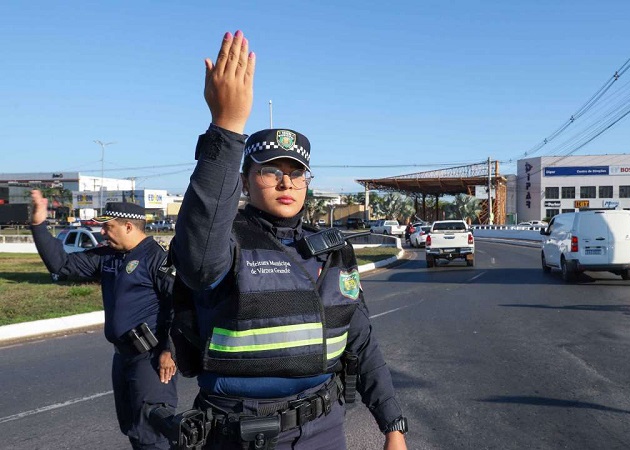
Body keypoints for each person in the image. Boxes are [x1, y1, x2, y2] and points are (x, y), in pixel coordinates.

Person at [170, 30, 407, 450]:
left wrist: (393, 425)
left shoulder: (333, 249)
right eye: (268, 170)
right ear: (244, 180)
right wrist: (227, 127)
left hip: (323, 429)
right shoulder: (225, 244)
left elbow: (362, 341)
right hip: (239, 433)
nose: (285, 181)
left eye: (296, 172)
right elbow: (198, 252)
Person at [28, 193, 178, 450]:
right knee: (132, 427)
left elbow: (180, 306)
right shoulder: (107, 256)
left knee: (152, 434)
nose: (103, 233)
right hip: (122, 357)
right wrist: (38, 225)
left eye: (108, 227)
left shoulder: (158, 259)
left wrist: (170, 349)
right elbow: (61, 264)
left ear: (128, 227)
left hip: (151, 360)